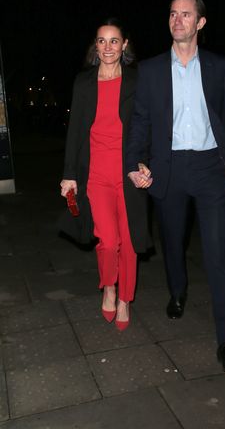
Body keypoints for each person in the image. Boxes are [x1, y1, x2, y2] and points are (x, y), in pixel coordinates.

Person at [126, 0, 225, 372]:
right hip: (169, 170)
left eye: (186, 14)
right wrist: (134, 162)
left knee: (218, 258)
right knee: (173, 240)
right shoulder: (150, 70)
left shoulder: (219, 66)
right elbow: (141, 123)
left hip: (211, 169)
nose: (177, 20)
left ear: (200, 23)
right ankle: (177, 290)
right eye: (172, 14)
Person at [60, 17, 150, 331]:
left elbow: (146, 126)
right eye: (102, 41)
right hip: (95, 173)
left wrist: (144, 162)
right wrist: (69, 174)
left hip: (127, 174)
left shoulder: (137, 81)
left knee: (129, 239)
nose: (108, 47)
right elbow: (74, 132)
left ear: (124, 44)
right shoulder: (83, 82)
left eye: (114, 41)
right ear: (95, 46)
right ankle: (109, 287)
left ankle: (126, 297)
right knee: (108, 241)